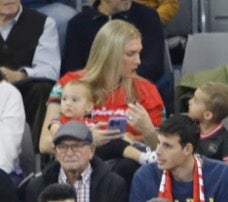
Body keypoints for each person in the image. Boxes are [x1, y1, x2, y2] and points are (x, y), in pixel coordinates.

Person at [43, 19, 165, 171]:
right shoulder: (70, 85)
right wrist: (86, 140)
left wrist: (147, 131)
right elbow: (45, 143)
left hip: (128, 168)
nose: (139, 61)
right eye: (131, 54)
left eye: (139, 53)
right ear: (109, 54)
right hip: (80, 166)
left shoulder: (148, 91)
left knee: (127, 166)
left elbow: (164, 152)